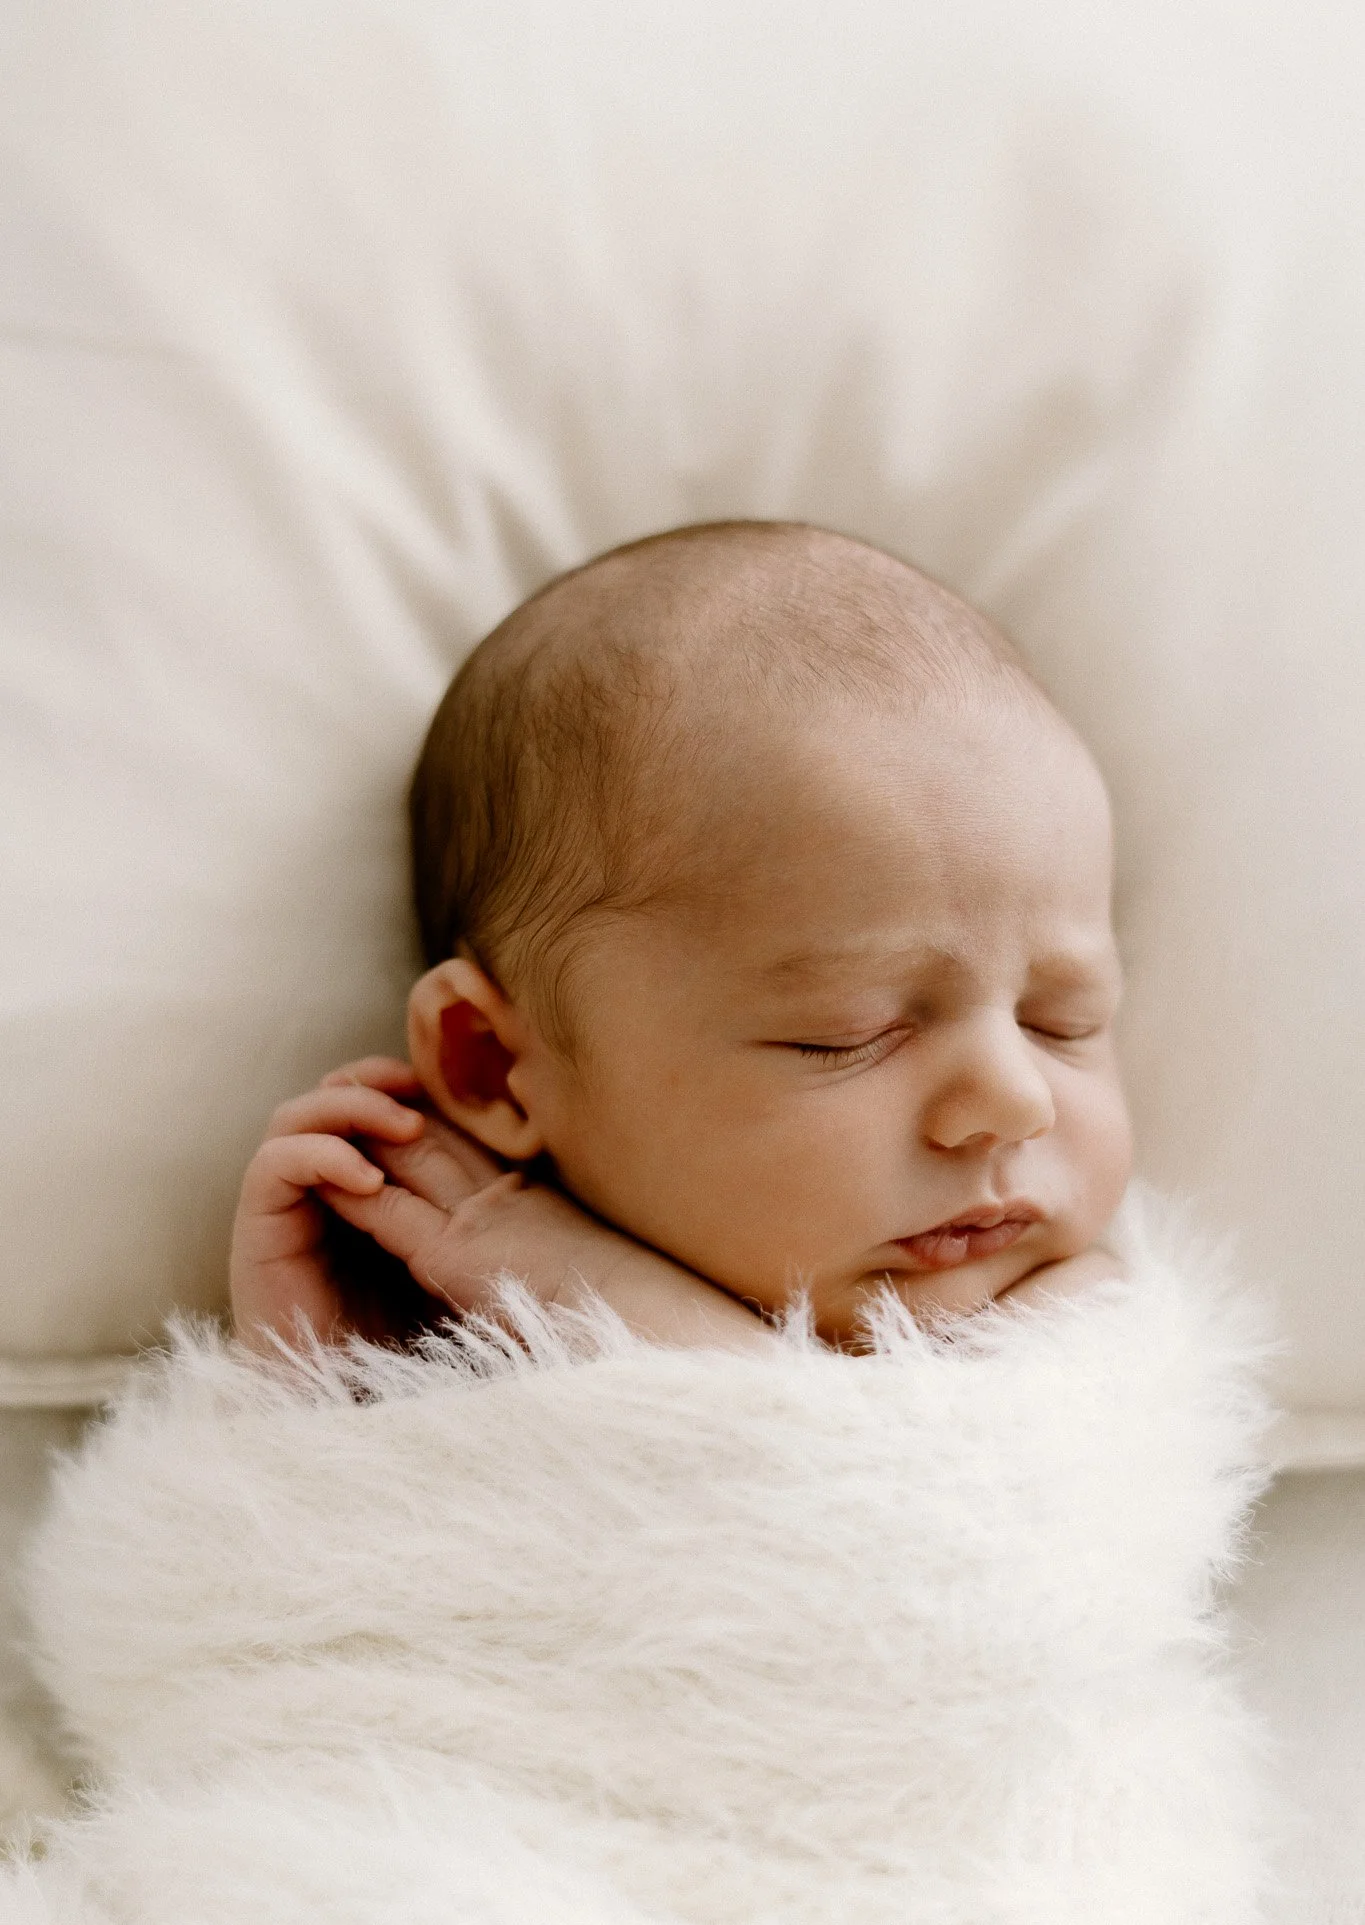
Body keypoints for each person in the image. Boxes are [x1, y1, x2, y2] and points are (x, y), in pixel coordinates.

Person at [229, 521, 1132, 1357]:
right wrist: (314, 1378)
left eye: (1063, 1019)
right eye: (845, 1032)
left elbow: (934, 1510)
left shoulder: (1091, 1338)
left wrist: (633, 1313)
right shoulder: (443, 1291)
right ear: (489, 1065)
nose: (1016, 1102)